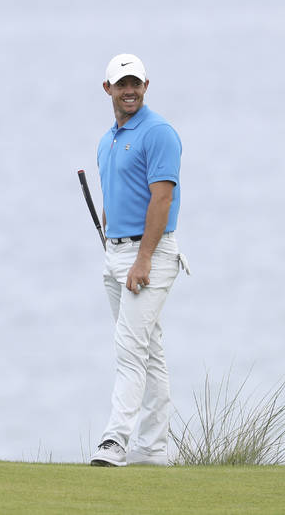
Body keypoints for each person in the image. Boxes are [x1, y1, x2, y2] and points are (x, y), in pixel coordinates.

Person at [90, 53, 186, 467]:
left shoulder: (158, 132)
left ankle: (116, 441)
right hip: (116, 253)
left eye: (136, 83)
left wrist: (142, 259)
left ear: (146, 85)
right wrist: (115, 248)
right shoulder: (107, 138)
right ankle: (152, 448)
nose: (129, 91)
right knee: (149, 350)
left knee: (129, 347)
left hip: (151, 252)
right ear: (107, 88)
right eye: (121, 84)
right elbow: (114, 196)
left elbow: (161, 200)